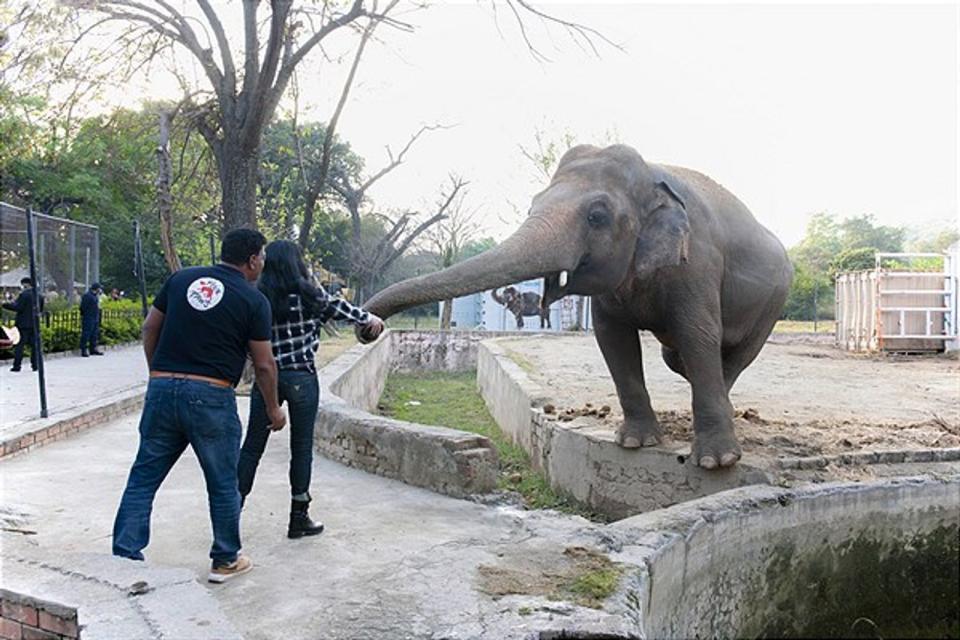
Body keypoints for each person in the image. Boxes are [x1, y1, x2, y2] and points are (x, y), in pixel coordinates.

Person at [112, 228, 287, 584]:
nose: (263, 265)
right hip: (211, 396)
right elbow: (265, 365)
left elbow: (150, 329)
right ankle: (225, 560)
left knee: (144, 476)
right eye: (262, 258)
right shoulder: (253, 300)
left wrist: (158, 375)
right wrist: (273, 409)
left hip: (162, 389)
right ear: (252, 260)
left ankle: (125, 558)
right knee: (223, 482)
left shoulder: (181, 280)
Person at [237, 240, 383, 539]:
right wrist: (372, 319)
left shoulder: (257, 297)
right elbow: (351, 312)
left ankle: (231, 513)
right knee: (301, 448)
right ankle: (298, 517)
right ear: (297, 263)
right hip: (302, 377)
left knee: (252, 447)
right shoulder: (310, 295)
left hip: (267, 379)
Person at [2, 277, 43, 372]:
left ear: (26, 284)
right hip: (34, 324)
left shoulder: (24, 295)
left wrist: (5, 305)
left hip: (22, 324)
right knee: (34, 346)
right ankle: (35, 365)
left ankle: (17, 366)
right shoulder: (39, 296)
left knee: (19, 346)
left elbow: (18, 307)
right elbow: (40, 310)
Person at [80, 282, 104, 357]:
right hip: (88, 317)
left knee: (94, 334)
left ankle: (93, 349)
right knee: (86, 334)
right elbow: (83, 307)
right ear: (96, 289)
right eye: (99, 288)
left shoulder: (95, 296)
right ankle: (84, 350)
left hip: (95, 317)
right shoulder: (87, 296)